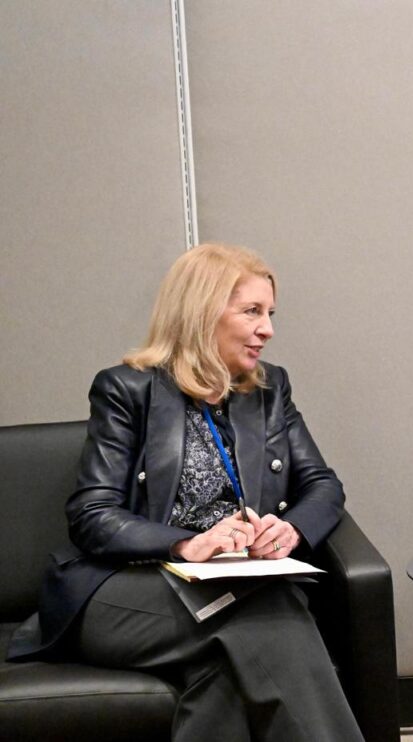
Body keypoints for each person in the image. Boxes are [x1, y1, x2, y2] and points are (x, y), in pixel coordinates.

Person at [7, 243, 364, 741]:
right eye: (252, 311)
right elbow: (92, 514)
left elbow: (322, 484)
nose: (268, 329)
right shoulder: (126, 389)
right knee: (273, 612)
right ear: (202, 312)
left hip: (232, 585)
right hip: (123, 590)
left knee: (226, 675)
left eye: (270, 313)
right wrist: (183, 543)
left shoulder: (269, 391)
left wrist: (292, 529)